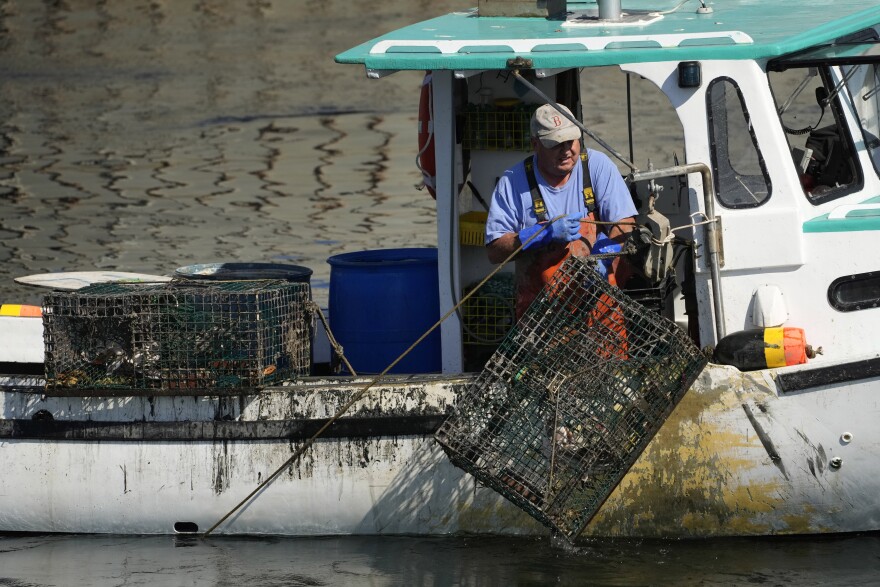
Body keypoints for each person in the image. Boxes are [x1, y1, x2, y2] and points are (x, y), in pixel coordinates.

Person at [485, 103, 638, 319]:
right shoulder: (513, 181)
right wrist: (538, 235)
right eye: (555, 144)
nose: (566, 150)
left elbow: (625, 221)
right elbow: (494, 252)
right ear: (535, 144)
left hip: (598, 305)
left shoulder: (597, 165)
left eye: (571, 140)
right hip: (541, 315)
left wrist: (604, 255)